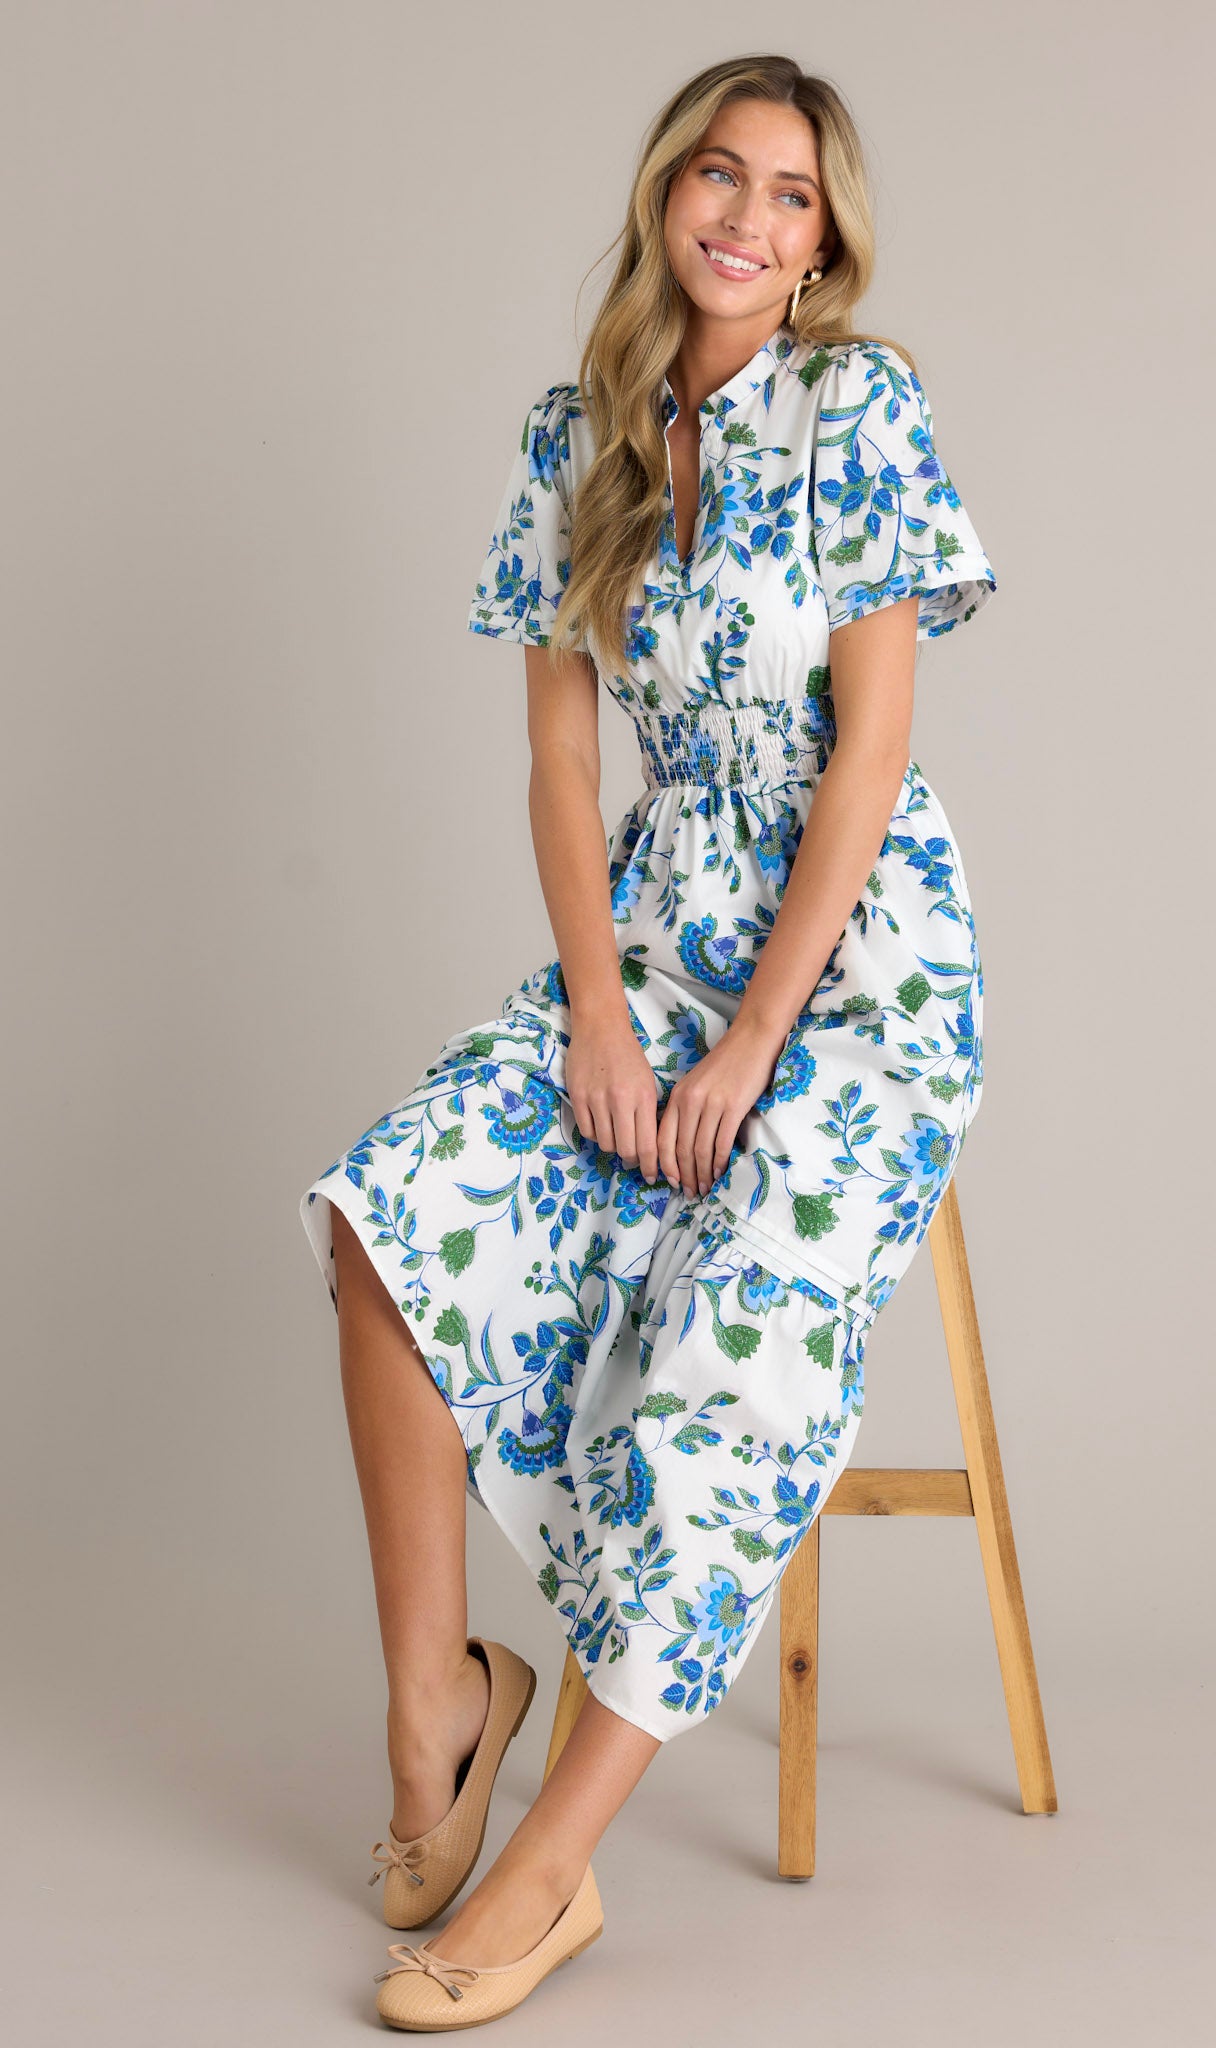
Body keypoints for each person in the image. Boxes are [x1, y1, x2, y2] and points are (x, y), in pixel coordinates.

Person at [299, 51, 997, 2032]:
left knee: (728, 1376)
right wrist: (605, 1013)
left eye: (790, 197)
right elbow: (552, 747)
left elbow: (869, 754)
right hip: (648, 949)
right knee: (381, 1217)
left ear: (822, 240)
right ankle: (438, 1709)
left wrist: (747, 1050)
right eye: (719, 174)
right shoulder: (577, 431)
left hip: (851, 979)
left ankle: (546, 1868)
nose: (747, 221)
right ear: (662, 194)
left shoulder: (855, 411)